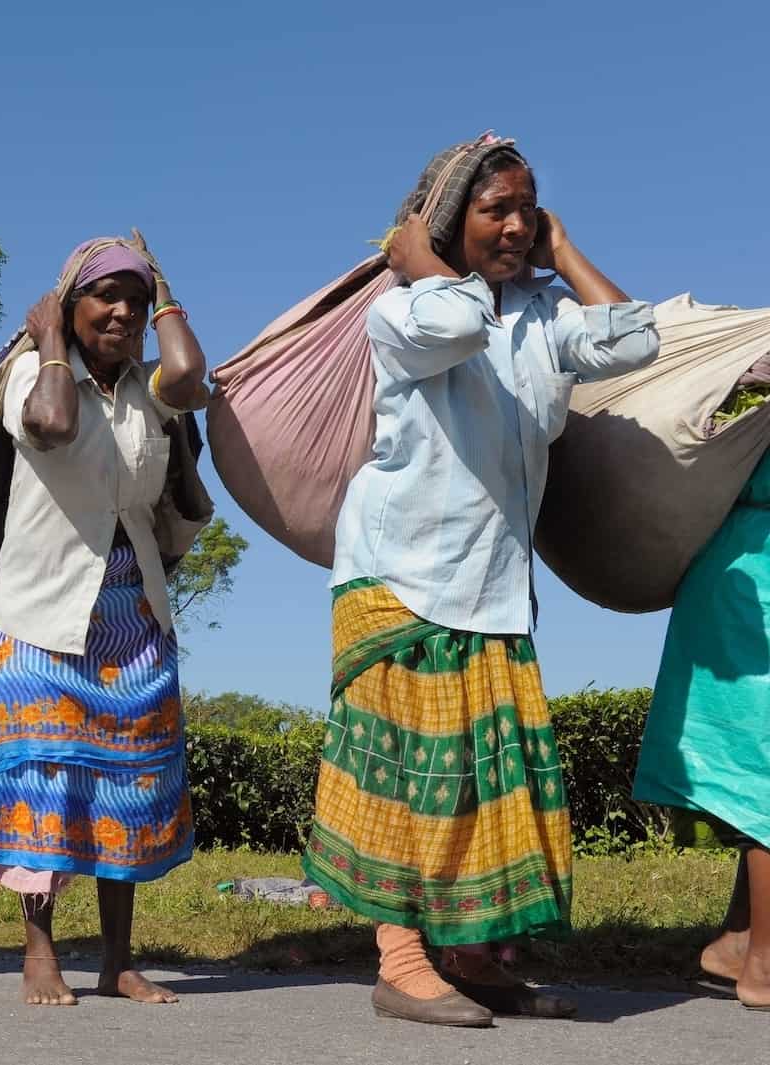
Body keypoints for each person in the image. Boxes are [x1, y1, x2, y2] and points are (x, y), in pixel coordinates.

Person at [301, 137, 661, 1027]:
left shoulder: (542, 314)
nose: (513, 223)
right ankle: (400, 960)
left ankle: (470, 957)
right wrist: (416, 257)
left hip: (494, 587)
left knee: (478, 783)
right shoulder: (402, 312)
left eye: (526, 207)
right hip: (402, 576)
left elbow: (638, 336)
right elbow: (458, 325)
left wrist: (563, 253)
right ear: (446, 222)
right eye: (494, 207)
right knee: (406, 780)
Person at [0, 236, 207, 1006]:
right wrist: (53, 338)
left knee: (127, 784)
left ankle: (118, 960)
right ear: (72, 306)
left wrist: (163, 284)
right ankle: (39, 951)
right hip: (42, 612)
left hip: (133, 609)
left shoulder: (149, 388)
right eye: (107, 296)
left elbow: (190, 375)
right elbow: (54, 425)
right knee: (48, 780)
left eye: (135, 298)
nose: (123, 311)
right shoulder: (35, 371)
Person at [633, 448, 770, 1012]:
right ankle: (765, 964)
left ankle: (738, 945)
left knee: (757, 774)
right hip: (750, 585)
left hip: (741, 568)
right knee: (763, 775)